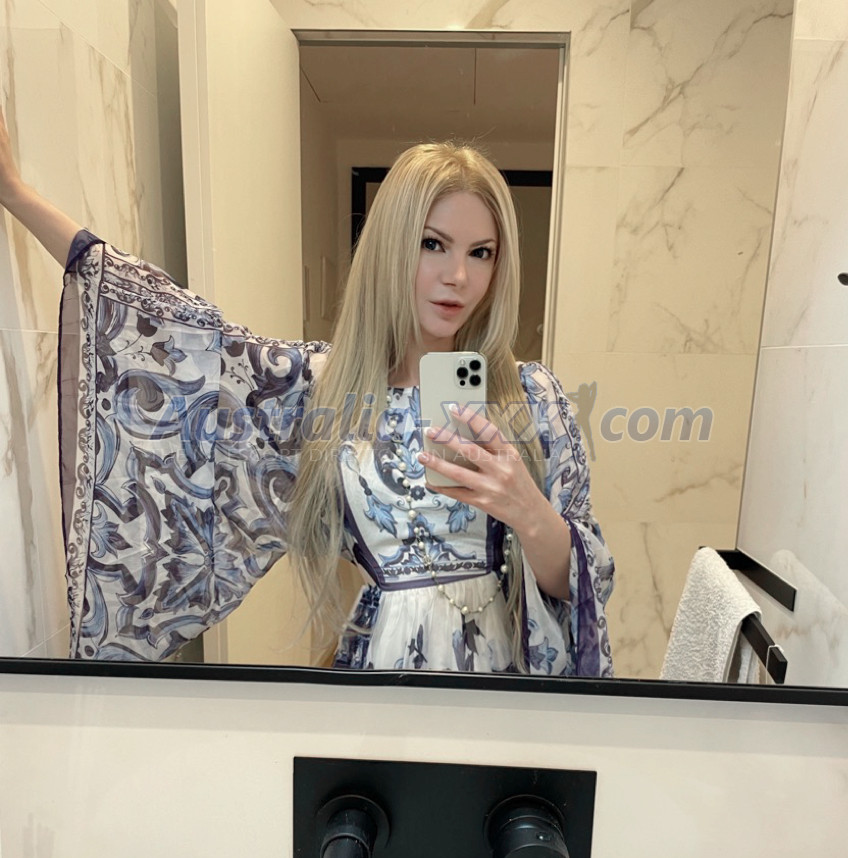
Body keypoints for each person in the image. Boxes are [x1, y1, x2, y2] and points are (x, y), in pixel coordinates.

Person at [0, 107, 614, 675]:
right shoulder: (321, 390)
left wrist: (528, 510)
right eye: (432, 244)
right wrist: (16, 195)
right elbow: (172, 329)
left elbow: (585, 584)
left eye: (481, 253)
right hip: (379, 674)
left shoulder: (531, 398)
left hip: (502, 685)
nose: (458, 276)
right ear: (390, 245)